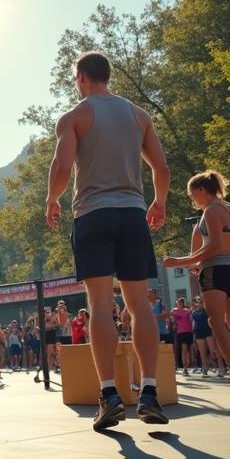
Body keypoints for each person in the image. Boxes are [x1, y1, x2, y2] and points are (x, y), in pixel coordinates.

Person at [45, 51, 171, 430]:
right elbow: (161, 167)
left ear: (82, 77)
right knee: (139, 306)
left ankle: (110, 394)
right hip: (132, 214)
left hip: (93, 214)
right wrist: (159, 202)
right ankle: (149, 391)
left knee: (100, 304)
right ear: (108, 75)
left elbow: (62, 166)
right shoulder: (139, 115)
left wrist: (51, 199)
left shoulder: (75, 116)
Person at [164, 170, 230, 407]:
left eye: (191, 194)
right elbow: (220, 245)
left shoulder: (212, 210)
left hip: (216, 270)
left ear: (201, 190)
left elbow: (215, 246)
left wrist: (180, 261)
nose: (192, 198)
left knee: (216, 322)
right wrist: (195, 263)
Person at [170, 298, 194, 376]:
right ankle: (185, 367)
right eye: (178, 303)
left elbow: (191, 319)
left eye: (180, 303)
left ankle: (191, 365)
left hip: (189, 331)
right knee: (184, 349)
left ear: (183, 303)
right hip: (180, 332)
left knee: (189, 350)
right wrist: (173, 320)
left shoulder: (188, 311)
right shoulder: (174, 311)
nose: (179, 304)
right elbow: (172, 319)